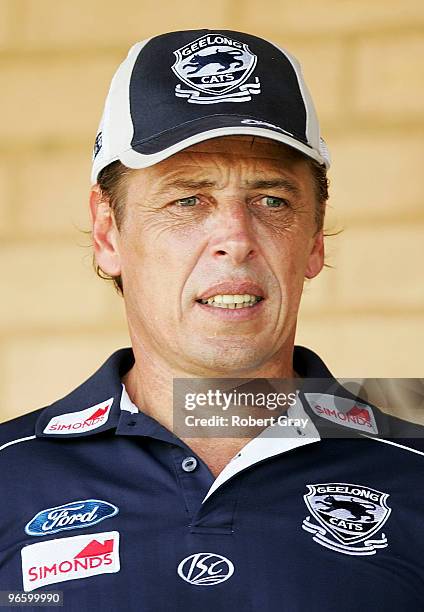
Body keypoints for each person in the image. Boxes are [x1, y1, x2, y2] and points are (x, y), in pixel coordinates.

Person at [0, 29, 423, 611]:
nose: (236, 239)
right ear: (107, 232)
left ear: (315, 239)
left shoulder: (415, 474)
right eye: (187, 199)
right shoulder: (9, 478)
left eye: (271, 200)